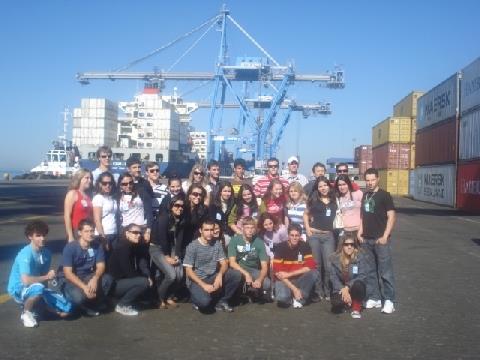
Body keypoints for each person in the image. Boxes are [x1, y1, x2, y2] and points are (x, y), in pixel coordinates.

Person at [7, 221, 72, 327]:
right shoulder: (25, 254)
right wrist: (47, 277)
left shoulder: (46, 254)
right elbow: (26, 280)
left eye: (43, 235)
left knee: (67, 309)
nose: (42, 238)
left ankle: (36, 305)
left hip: (36, 286)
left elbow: (44, 281)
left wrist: (47, 301)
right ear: (30, 237)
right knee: (37, 288)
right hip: (18, 287)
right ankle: (26, 313)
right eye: (38, 236)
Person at [358, 168, 396, 314]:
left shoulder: (385, 195)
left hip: (380, 240)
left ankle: (389, 300)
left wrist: (385, 235)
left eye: (372, 180)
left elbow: (391, 216)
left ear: (378, 179)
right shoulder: (365, 195)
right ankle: (375, 297)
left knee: (385, 272)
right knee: (370, 271)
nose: (370, 182)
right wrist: (360, 232)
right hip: (366, 239)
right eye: (367, 180)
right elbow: (363, 215)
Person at [183, 220, 242, 312]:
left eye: (211, 230)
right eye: (206, 230)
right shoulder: (192, 246)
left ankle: (222, 301)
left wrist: (219, 275)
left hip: (212, 276)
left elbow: (224, 263)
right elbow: (188, 271)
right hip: (197, 280)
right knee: (205, 303)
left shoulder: (216, 244)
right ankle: (195, 299)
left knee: (236, 274)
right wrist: (204, 285)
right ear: (200, 231)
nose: (210, 233)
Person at [60, 219, 113, 317]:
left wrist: (95, 279)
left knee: (107, 279)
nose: (90, 234)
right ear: (80, 233)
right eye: (86, 231)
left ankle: (92, 302)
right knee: (79, 297)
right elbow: (68, 273)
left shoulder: (97, 246)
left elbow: (101, 266)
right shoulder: (70, 248)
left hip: (88, 276)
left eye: (92, 231)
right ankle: (82, 305)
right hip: (71, 280)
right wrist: (84, 287)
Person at [303, 176, 337, 301]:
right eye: (320, 186)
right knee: (316, 265)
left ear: (329, 186)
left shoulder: (334, 200)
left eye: (325, 185)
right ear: (317, 188)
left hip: (328, 236)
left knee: (329, 265)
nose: (323, 188)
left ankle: (328, 290)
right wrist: (307, 229)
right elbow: (305, 215)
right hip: (315, 236)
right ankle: (318, 291)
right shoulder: (313, 200)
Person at [149, 195, 186, 309]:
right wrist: (167, 256)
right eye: (177, 205)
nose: (180, 208)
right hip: (156, 247)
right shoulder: (163, 218)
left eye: (182, 206)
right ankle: (158, 298)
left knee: (180, 274)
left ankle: (169, 296)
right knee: (171, 275)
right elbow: (163, 238)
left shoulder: (181, 219)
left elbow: (179, 238)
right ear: (171, 206)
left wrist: (177, 255)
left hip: (170, 248)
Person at [107, 223, 151, 316]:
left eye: (140, 233)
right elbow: (128, 271)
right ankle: (122, 305)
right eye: (135, 233)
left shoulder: (131, 246)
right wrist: (145, 279)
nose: (138, 235)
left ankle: (118, 300)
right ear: (127, 233)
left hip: (120, 281)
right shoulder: (124, 247)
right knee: (143, 282)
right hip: (114, 284)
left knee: (143, 280)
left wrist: (146, 275)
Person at [272, 223, 318, 309]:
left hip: (298, 279)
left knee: (314, 273)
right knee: (283, 299)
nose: (294, 238)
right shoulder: (280, 247)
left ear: (300, 235)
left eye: (297, 235)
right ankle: (295, 295)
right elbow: (278, 273)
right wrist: (294, 289)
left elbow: (311, 266)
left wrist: (290, 274)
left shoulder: (305, 246)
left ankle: (299, 297)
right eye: (292, 235)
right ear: (288, 236)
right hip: (283, 280)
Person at [227, 217, 270, 301]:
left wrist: (259, 280)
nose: (250, 230)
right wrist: (246, 274)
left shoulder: (259, 242)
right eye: (247, 228)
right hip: (239, 269)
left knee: (267, 284)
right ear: (242, 228)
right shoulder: (234, 240)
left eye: (252, 228)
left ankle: (251, 290)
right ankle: (241, 291)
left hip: (253, 269)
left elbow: (264, 267)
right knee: (237, 277)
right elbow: (232, 263)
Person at [329, 234, 367, 319]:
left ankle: (356, 308)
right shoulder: (334, 258)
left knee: (358, 284)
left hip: (355, 288)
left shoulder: (360, 257)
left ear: (354, 246)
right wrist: (342, 289)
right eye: (346, 244)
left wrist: (347, 287)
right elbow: (333, 277)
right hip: (341, 288)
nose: (349, 247)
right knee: (336, 303)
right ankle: (349, 302)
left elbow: (362, 275)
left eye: (352, 244)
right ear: (342, 246)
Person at [126, 158, 154, 235]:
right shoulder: (123, 184)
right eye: (134, 167)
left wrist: (149, 227)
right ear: (128, 169)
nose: (138, 169)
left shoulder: (145, 184)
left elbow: (149, 206)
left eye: (139, 167)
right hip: (126, 225)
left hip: (141, 224)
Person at [64, 168, 93, 242]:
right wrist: (70, 235)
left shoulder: (88, 195)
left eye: (90, 178)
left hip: (87, 231)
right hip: (76, 232)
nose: (90, 181)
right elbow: (67, 215)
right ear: (79, 179)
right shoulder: (72, 194)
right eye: (87, 178)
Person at [117, 173, 148, 240]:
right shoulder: (118, 196)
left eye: (130, 183)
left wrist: (148, 230)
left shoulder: (141, 192)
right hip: (126, 230)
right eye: (124, 184)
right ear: (120, 185)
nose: (128, 186)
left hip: (140, 229)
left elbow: (149, 212)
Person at [92, 172, 118, 251]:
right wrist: (103, 238)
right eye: (104, 183)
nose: (108, 185)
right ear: (100, 184)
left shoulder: (112, 198)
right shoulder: (98, 198)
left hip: (114, 233)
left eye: (110, 183)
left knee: (113, 262)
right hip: (103, 235)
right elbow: (97, 220)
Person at [209, 181, 235, 246]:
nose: (227, 193)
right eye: (225, 191)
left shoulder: (233, 204)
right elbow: (212, 221)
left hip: (231, 234)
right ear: (220, 192)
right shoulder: (214, 205)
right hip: (218, 235)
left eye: (229, 191)